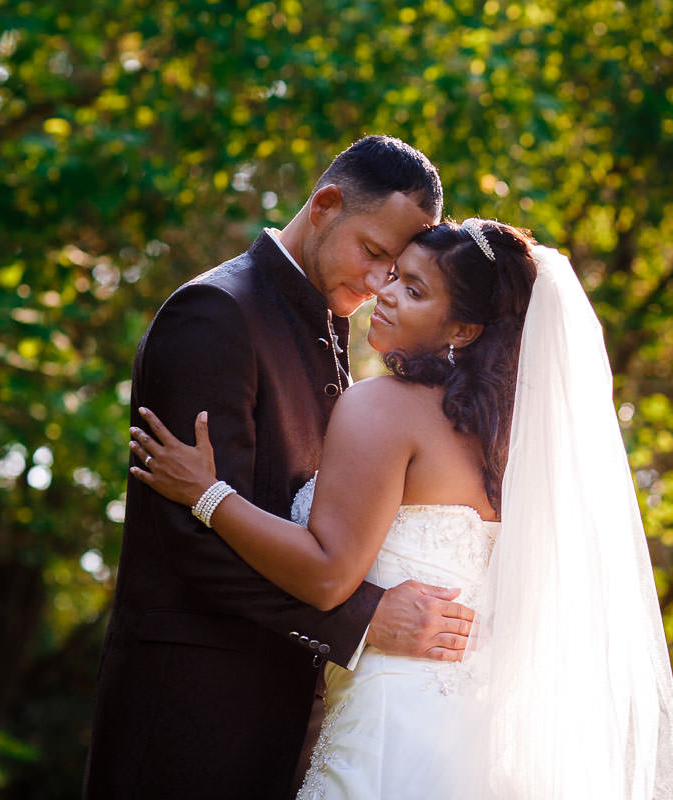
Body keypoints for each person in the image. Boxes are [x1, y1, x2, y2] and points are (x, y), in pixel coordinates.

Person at [130, 218, 673, 798]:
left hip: (387, 732)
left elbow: (326, 575)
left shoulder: (382, 408)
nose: (387, 294)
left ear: (464, 330)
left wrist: (207, 496)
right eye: (396, 276)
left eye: (416, 291)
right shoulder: (512, 443)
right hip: (474, 742)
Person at [83, 136, 478, 800]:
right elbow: (192, 541)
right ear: (325, 205)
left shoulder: (331, 328)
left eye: (398, 270)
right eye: (375, 254)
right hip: (189, 721)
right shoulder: (214, 314)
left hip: (288, 725)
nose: (382, 282)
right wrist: (363, 619)